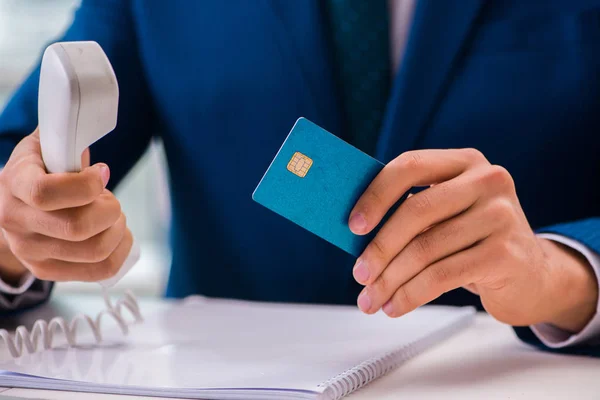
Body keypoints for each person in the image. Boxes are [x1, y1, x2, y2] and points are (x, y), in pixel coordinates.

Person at [0, 0, 598, 357]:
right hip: (218, 378)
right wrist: (19, 227)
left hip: (510, 377)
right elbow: (22, 154)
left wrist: (563, 275)